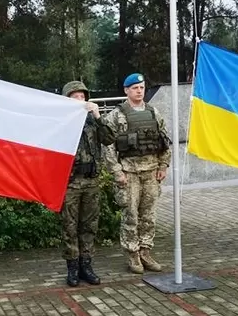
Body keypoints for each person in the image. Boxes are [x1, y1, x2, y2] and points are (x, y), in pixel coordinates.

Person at [102, 73, 171, 274]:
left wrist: (163, 165)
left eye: (141, 88)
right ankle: (132, 255)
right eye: (135, 88)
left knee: (149, 216)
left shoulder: (153, 113)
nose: (139, 91)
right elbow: (107, 146)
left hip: (150, 172)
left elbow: (165, 141)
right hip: (129, 173)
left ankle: (145, 252)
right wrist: (117, 172)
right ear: (126, 90)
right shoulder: (116, 115)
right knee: (130, 216)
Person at [60, 81, 115, 287]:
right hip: (71, 182)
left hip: (91, 181)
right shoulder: (61, 121)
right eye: (75, 96)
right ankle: (72, 267)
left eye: (82, 96)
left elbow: (109, 138)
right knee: (70, 226)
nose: (80, 100)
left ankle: (87, 265)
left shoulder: (92, 120)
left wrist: (99, 116)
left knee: (89, 226)